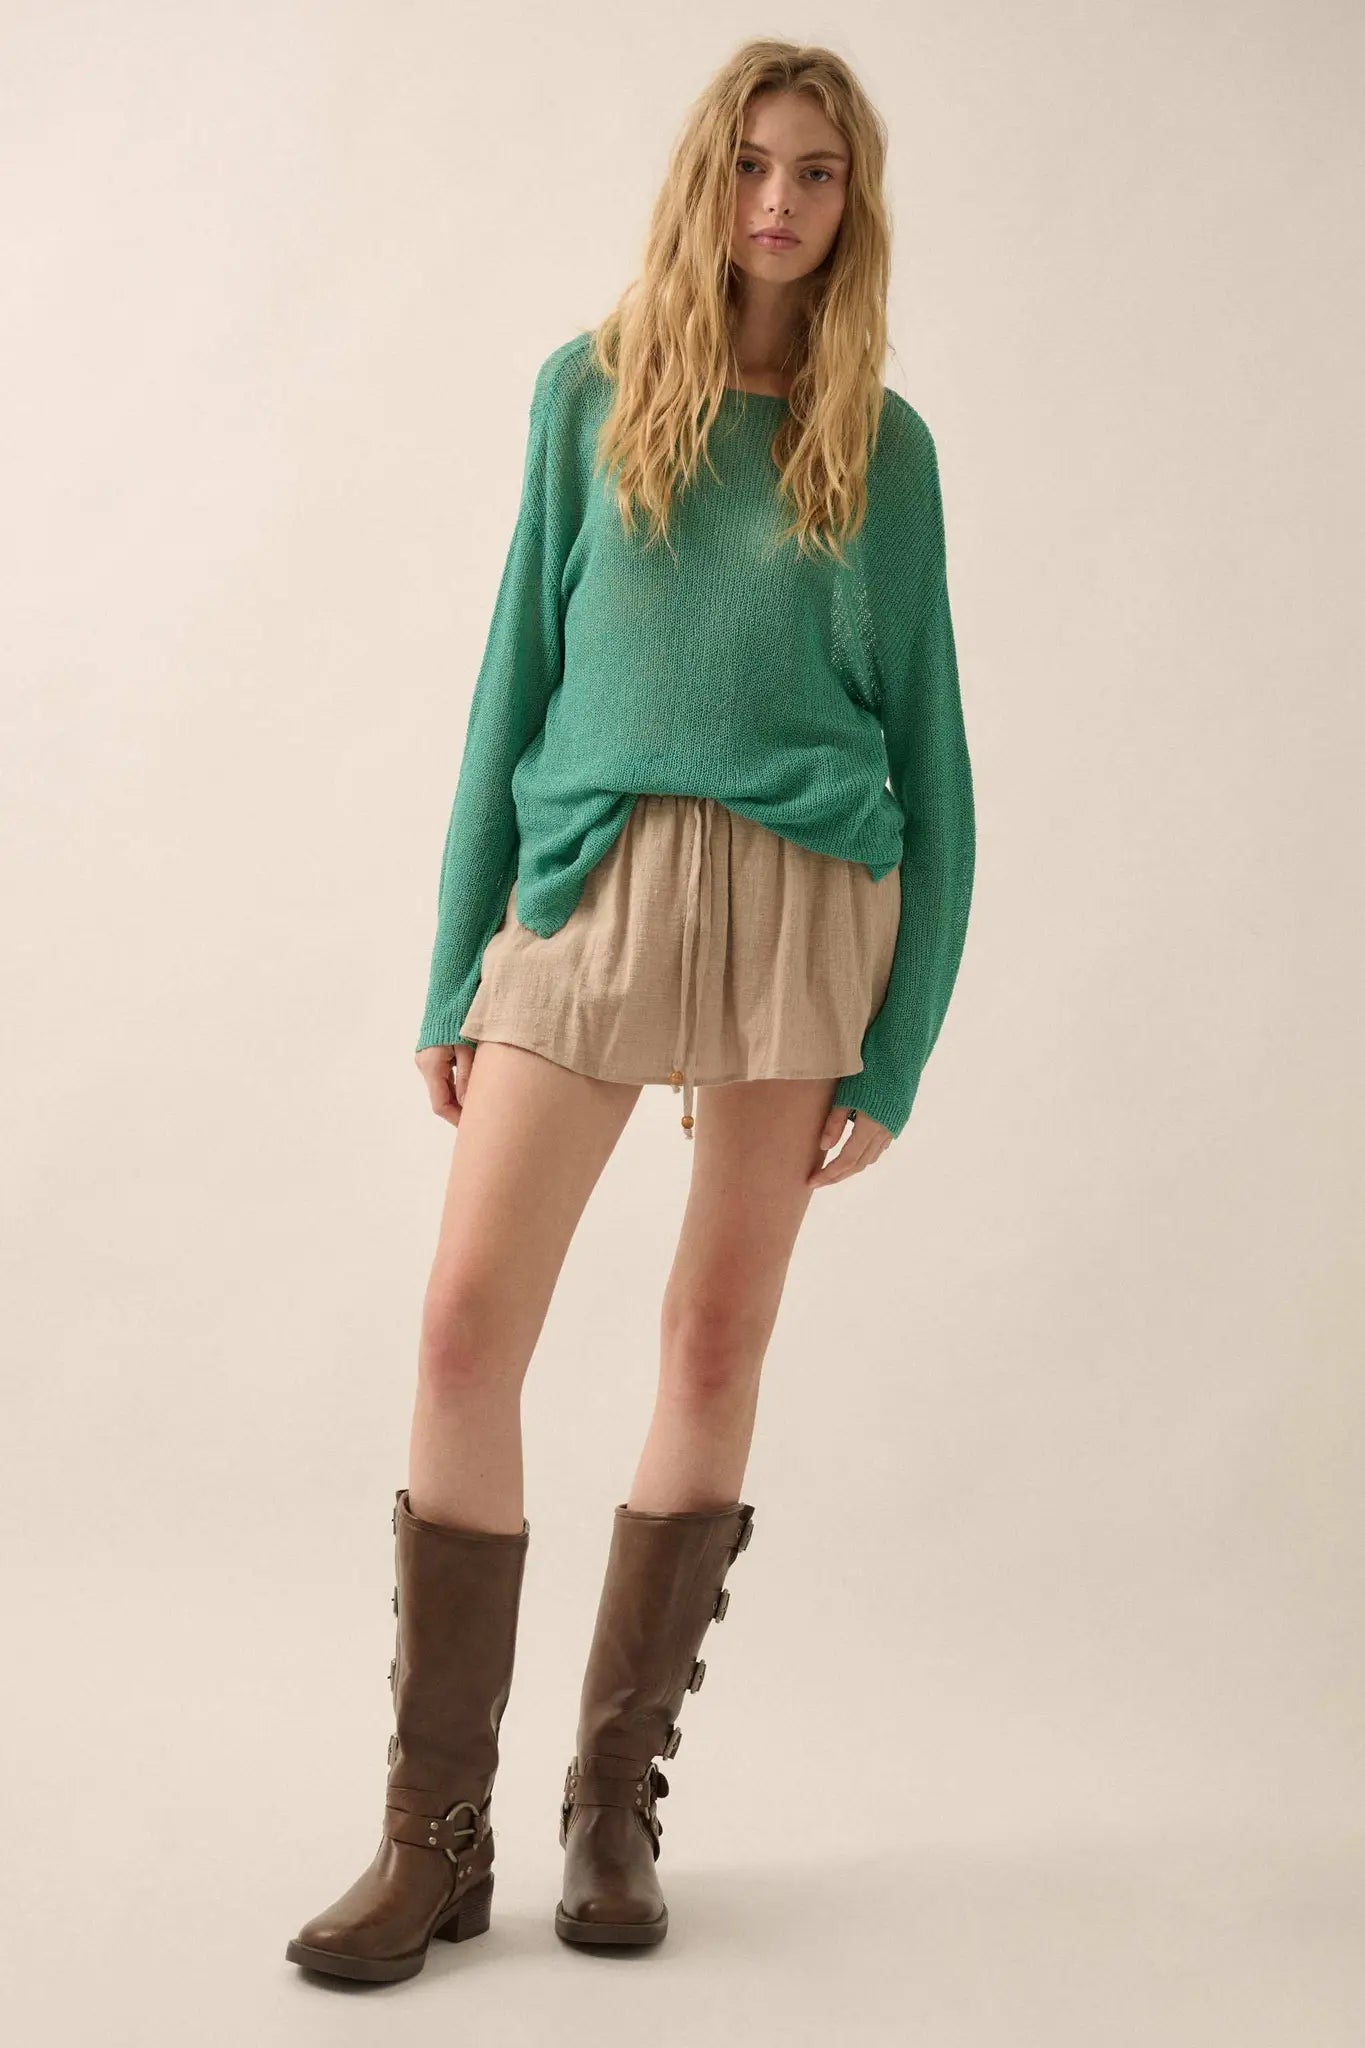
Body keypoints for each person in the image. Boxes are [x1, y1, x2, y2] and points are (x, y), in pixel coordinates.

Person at [285, 35, 976, 1983]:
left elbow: (931, 752)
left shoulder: (880, 446)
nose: (777, 201)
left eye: (816, 173)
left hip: (801, 904)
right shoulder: (586, 393)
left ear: (851, 205)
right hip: (585, 887)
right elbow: (510, 678)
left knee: (709, 1333)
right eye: (751, 162)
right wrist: (457, 961)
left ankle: (609, 1803)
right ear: (703, 177)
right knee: (462, 1328)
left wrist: (900, 1040)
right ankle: (433, 1833)